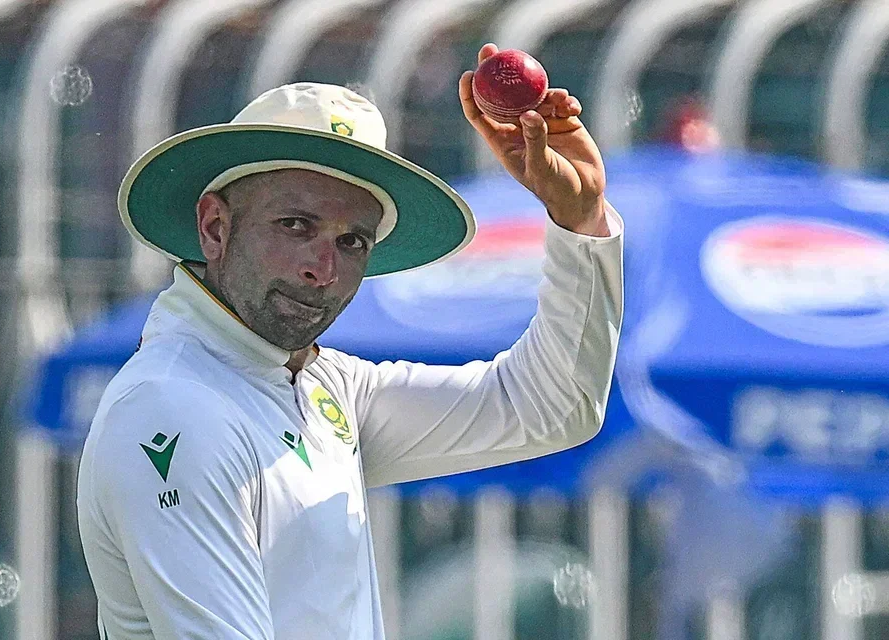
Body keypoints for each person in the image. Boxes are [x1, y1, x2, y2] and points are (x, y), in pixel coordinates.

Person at [77, 43, 624, 640]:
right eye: (296, 225)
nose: (324, 269)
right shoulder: (174, 406)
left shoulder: (319, 385)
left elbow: (554, 407)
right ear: (215, 226)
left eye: (353, 242)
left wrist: (581, 221)